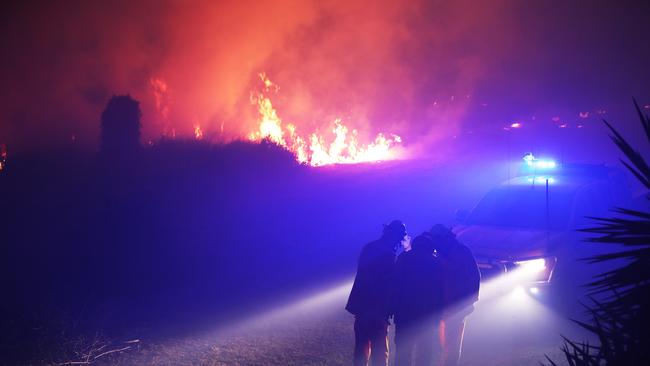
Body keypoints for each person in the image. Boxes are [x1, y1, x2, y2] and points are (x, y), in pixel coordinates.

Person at [346, 220, 407, 366]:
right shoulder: (389, 255)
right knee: (380, 350)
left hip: (362, 305)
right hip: (378, 308)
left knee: (361, 347)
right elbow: (389, 284)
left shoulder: (369, 247)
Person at [429, 224, 480, 366]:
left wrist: (470, 301)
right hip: (444, 306)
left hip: (456, 306)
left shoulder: (461, 253)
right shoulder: (444, 253)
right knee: (444, 344)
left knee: (451, 344)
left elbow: (474, 277)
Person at [392, 234, 446, 366]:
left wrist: (393, 308)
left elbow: (395, 285)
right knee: (425, 352)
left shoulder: (404, 259)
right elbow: (441, 290)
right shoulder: (436, 263)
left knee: (403, 351)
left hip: (405, 312)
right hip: (427, 314)